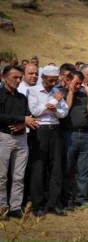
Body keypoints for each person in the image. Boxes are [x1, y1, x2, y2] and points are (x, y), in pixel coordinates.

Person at [28, 65, 69, 217]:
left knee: (56, 168)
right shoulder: (33, 91)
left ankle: (54, 204)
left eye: (55, 80)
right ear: (43, 78)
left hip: (55, 129)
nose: (53, 83)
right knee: (38, 168)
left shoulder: (57, 92)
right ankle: (37, 205)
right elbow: (35, 111)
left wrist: (55, 110)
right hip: (40, 130)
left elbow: (64, 112)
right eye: (50, 80)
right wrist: (53, 101)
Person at [0, 65, 38, 220]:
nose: (18, 80)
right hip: (4, 137)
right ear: (4, 77)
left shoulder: (22, 97)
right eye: (14, 77)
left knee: (19, 176)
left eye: (19, 78)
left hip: (22, 138)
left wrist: (23, 123)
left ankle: (15, 206)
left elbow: (30, 117)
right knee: (1, 175)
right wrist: (21, 119)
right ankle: (2, 207)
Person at [60, 70, 88, 209]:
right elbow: (65, 110)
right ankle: (66, 200)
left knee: (84, 169)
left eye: (80, 84)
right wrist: (70, 92)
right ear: (68, 80)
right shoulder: (60, 93)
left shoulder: (84, 93)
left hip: (85, 134)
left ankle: (81, 199)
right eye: (75, 83)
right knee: (67, 169)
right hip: (68, 134)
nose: (78, 86)